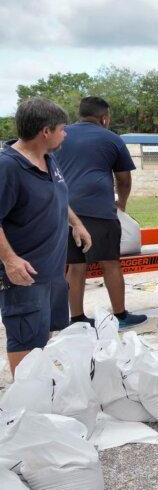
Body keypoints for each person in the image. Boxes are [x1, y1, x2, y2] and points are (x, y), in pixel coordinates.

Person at [0, 98, 92, 374]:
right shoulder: (9, 167)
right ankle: (25, 404)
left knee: (46, 334)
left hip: (52, 271)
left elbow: (58, 195)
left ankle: (41, 386)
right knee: (25, 338)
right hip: (25, 274)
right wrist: (11, 261)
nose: (65, 134)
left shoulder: (49, 159)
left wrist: (76, 223)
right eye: (62, 129)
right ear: (45, 131)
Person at [57, 96, 145, 329]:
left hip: (66, 211)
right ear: (104, 117)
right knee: (110, 262)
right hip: (100, 211)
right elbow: (124, 179)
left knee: (75, 266)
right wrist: (121, 206)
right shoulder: (111, 139)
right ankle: (120, 314)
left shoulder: (60, 135)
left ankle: (76, 318)